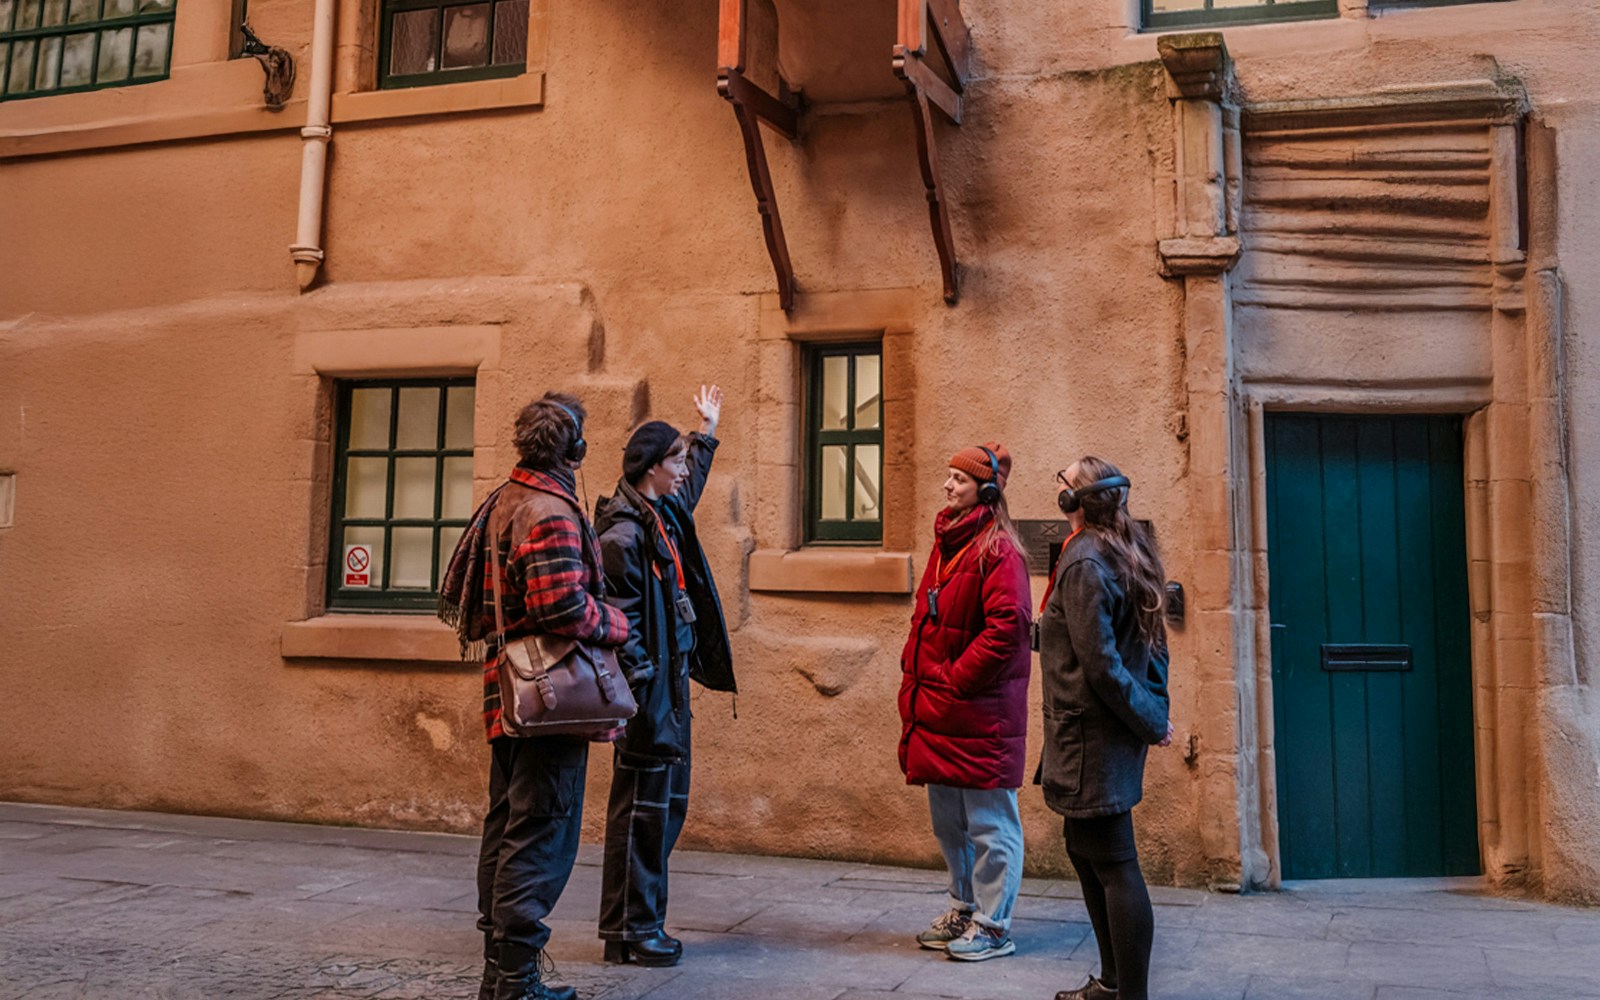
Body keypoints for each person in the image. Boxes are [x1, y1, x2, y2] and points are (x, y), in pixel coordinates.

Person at [438, 392, 631, 1000]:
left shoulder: (508, 498)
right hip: (548, 700)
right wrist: (619, 625)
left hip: (515, 693)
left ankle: (502, 973)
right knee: (541, 827)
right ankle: (514, 981)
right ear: (572, 447)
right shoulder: (545, 510)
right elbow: (562, 608)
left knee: (510, 820)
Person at [593, 385, 737, 966]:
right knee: (642, 815)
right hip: (648, 695)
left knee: (664, 811)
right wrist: (645, 693)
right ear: (651, 469)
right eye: (675, 461)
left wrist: (706, 433)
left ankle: (638, 923)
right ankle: (630, 930)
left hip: (669, 688)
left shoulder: (661, 512)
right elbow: (618, 625)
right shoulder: (622, 536)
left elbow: (692, 485)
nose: (683, 472)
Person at [1039, 457, 1174, 1000]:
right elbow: (1153, 648)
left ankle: (1128, 994)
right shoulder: (1125, 550)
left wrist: (1151, 719)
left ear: (1075, 501)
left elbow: (1102, 664)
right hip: (1104, 730)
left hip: (1093, 734)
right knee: (1082, 846)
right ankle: (1114, 982)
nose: (1058, 488)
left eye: (1063, 482)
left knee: (1116, 862)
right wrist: (1155, 710)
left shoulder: (1085, 563)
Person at [898, 443, 1033, 962]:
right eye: (948, 475)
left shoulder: (997, 549)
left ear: (987, 488)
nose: (948, 485)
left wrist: (954, 679)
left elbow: (1006, 630)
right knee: (949, 822)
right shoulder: (950, 541)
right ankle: (963, 906)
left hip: (978, 715)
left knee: (990, 823)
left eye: (959, 478)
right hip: (943, 713)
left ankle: (994, 924)